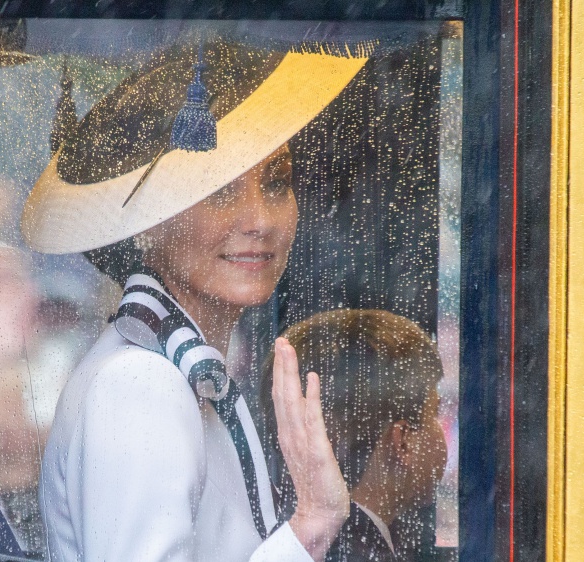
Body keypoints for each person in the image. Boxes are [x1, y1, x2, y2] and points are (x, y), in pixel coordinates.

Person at [22, 40, 369, 561]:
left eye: (276, 183)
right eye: (220, 189)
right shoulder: (141, 384)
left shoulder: (183, 371)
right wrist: (313, 523)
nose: (261, 220)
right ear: (146, 223)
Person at [262, 309, 447, 561]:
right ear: (402, 441)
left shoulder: (290, 539)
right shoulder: (358, 551)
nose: (441, 433)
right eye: (433, 413)